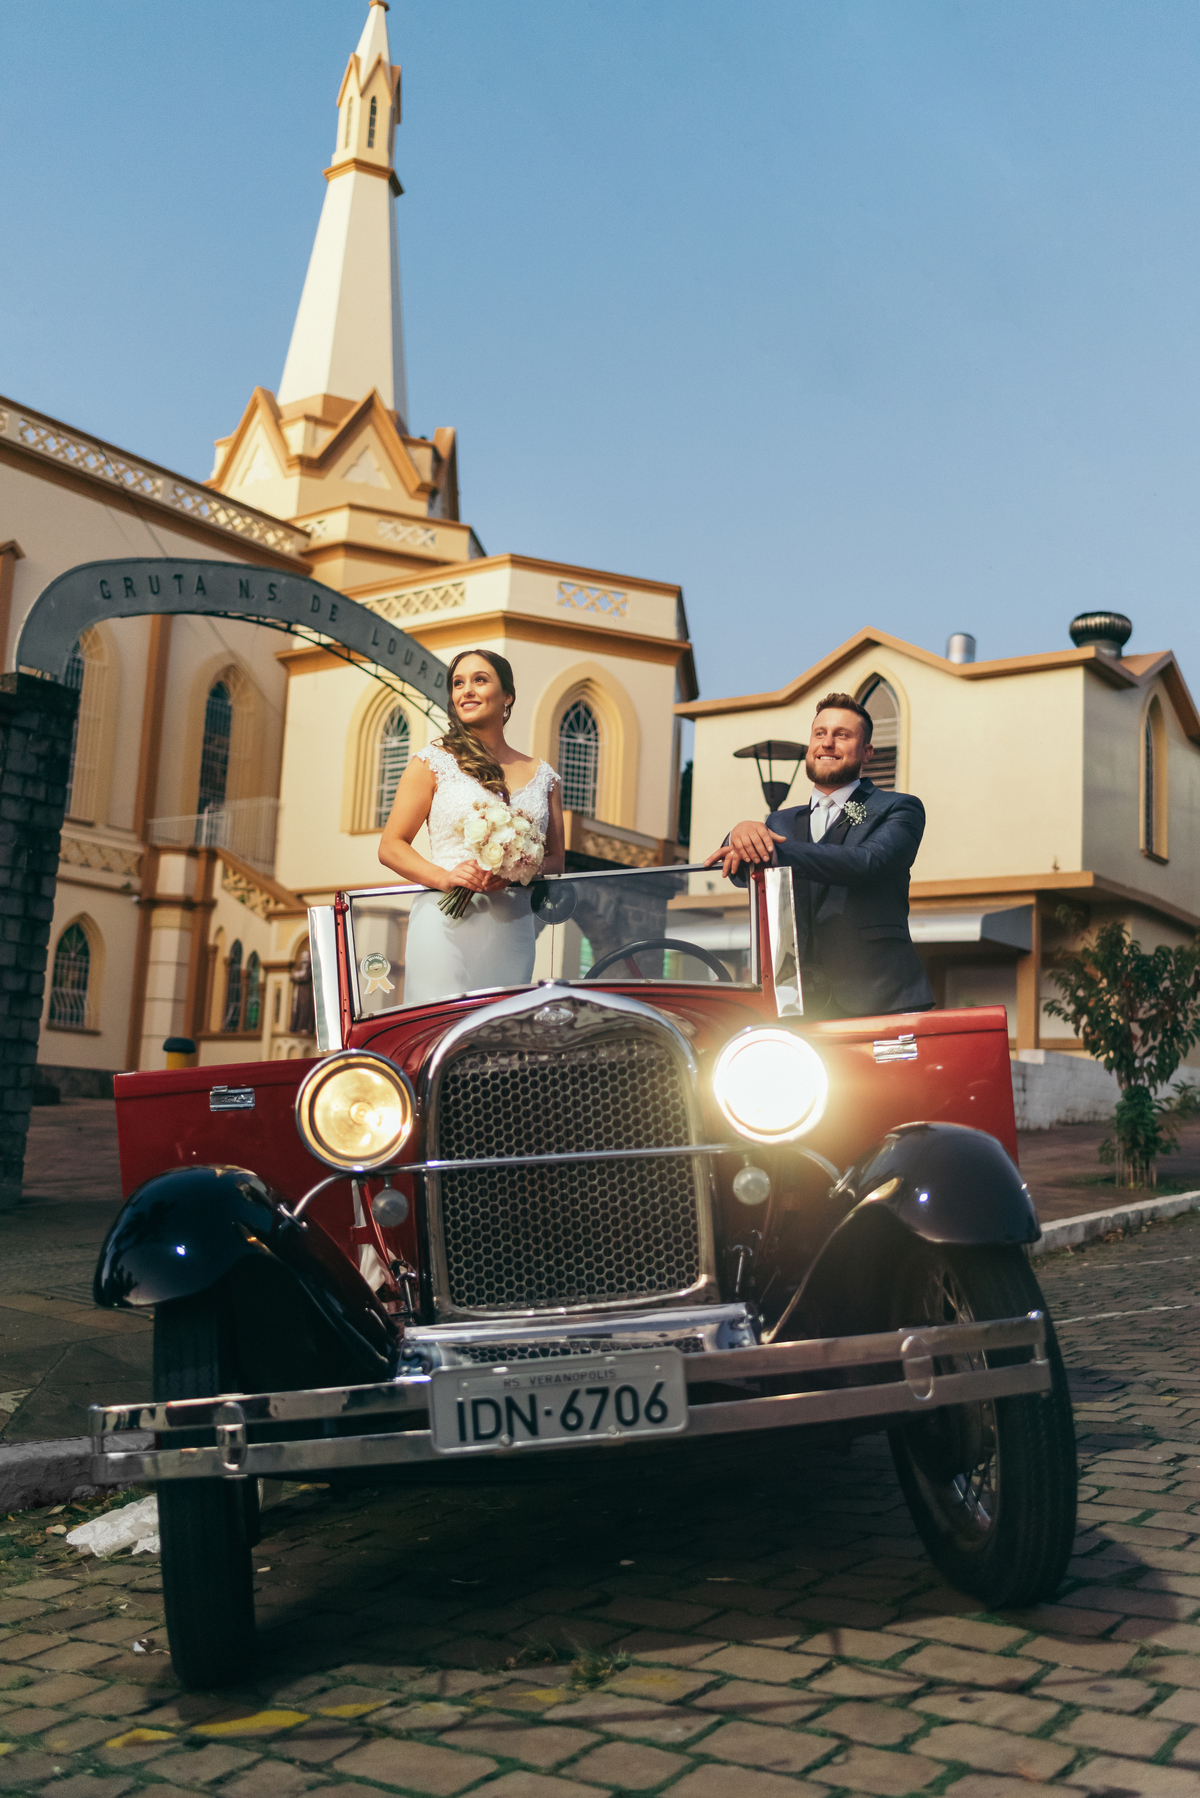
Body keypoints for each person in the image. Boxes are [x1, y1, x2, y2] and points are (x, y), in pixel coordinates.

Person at [706, 690, 933, 1018]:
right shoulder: (780, 820)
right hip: (795, 1003)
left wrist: (773, 849)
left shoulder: (899, 807)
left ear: (867, 751)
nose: (828, 743)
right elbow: (744, 875)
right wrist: (738, 833)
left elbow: (868, 862)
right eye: (820, 734)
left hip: (882, 998)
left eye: (842, 735)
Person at [378, 649, 565, 1004]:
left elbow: (556, 861)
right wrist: (443, 877)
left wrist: (515, 872)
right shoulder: (431, 763)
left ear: (507, 695)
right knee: (441, 1030)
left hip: (513, 925)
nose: (467, 690)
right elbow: (391, 846)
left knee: (502, 1034)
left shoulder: (545, 778)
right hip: (445, 921)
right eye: (458, 683)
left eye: (480, 680)